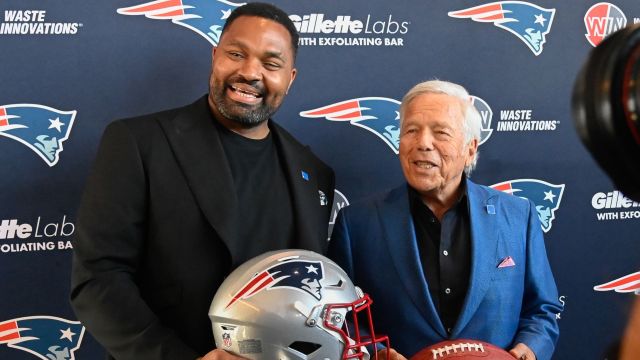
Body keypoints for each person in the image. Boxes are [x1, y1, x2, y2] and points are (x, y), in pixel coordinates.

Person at [70, 3, 334, 360]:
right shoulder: (138, 143)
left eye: (271, 64)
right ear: (215, 57)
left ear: (290, 78)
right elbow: (98, 279)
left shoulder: (313, 171)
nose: (250, 72)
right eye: (236, 54)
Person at [328, 80, 562, 360]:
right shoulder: (357, 224)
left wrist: (527, 351)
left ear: (470, 149)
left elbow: (542, 310)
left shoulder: (518, 216)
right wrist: (377, 354)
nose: (423, 143)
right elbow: (342, 317)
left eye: (441, 132)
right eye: (411, 131)